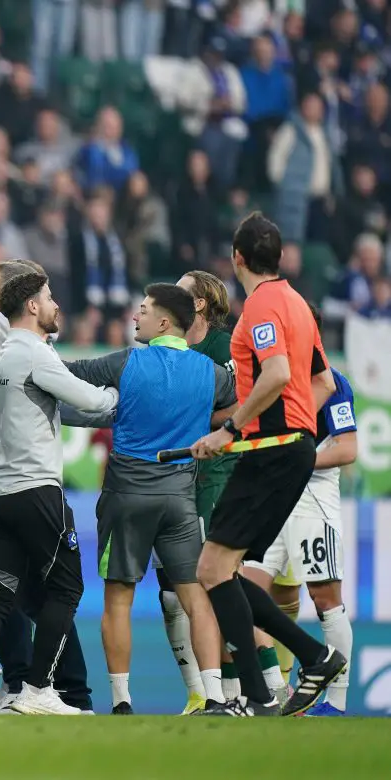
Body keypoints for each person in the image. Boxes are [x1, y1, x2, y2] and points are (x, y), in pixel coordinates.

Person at [190, 212, 346, 717]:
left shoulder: (260, 307)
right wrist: (299, 427)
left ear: (237, 258)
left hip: (271, 449)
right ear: (279, 256)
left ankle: (256, 695)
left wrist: (231, 429)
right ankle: (312, 657)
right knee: (224, 570)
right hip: (290, 448)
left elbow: (277, 373)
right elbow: (320, 382)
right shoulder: (298, 304)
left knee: (212, 568)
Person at [58, 283, 237, 715]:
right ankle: (214, 695)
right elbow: (239, 406)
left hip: (127, 496)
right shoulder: (211, 373)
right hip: (180, 499)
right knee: (195, 597)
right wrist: (212, 432)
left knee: (118, 596)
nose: (134, 318)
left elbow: (72, 372)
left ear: (163, 322)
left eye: (142, 311)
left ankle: (121, 700)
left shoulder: (128, 362)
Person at [0, 271, 118, 716]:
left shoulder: (5, 356)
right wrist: (132, 392)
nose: (55, 304)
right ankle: (38, 689)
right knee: (67, 588)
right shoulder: (35, 354)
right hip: (35, 489)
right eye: (48, 297)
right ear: (30, 307)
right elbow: (93, 402)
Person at [242, 305, 358, 717]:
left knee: (326, 597)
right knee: (243, 589)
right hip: (273, 497)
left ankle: (336, 704)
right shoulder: (273, 378)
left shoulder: (333, 384)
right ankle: (277, 692)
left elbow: (347, 449)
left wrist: (297, 462)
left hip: (312, 496)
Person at [162, 269, 241, 712]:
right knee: (172, 593)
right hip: (170, 479)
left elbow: (242, 405)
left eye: (181, 290)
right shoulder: (164, 341)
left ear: (199, 304)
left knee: (215, 583)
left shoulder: (226, 347)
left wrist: (191, 418)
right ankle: (198, 693)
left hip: (217, 474)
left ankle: (241, 688)